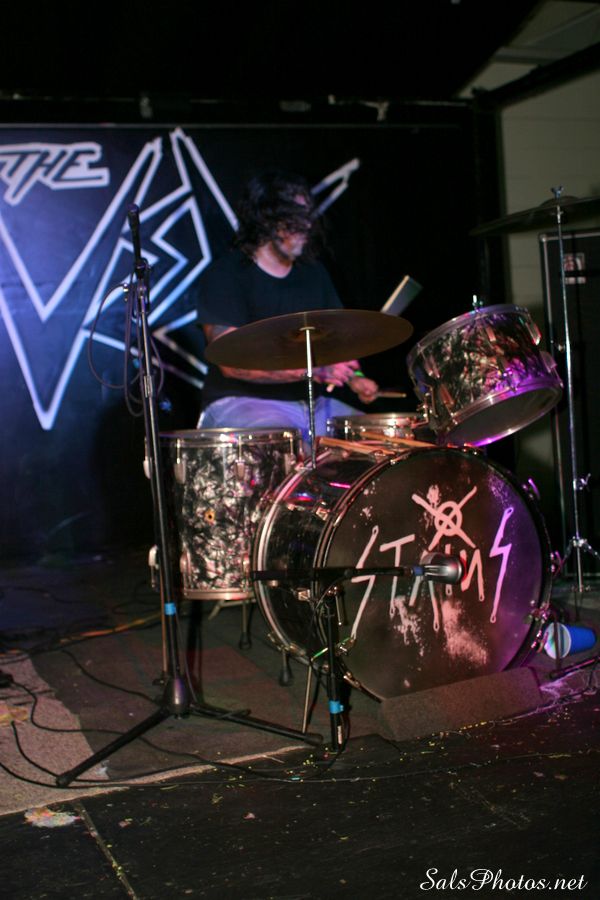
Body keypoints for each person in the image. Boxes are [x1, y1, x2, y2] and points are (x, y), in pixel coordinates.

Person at [196, 169, 378, 442]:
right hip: (241, 401)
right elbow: (230, 364)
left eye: (307, 216)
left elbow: (339, 349)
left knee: (379, 439)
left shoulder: (315, 273)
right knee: (286, 443)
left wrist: (355, 378)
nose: (306, 226)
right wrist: (315, 371)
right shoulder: (226, 275)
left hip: (312, 404)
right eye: (294, 218)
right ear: (266, 220)